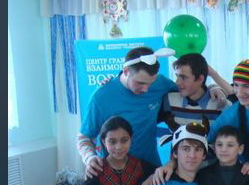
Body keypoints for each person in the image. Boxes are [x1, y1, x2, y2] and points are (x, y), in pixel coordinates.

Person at [77, 47, 179, 177]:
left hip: (150, 170)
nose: (145, 89)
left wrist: (209, 87)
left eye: (150, 84)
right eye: (140, 83)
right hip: (114, 174)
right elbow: (83, 138)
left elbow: (188, 90)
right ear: (126, 71)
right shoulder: (101, 97)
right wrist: (90, 157)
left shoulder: (160, 83)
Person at [161, 53, 232, 129]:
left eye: (183, 77)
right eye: (177, 76)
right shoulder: (169, 99)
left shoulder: (221, 103)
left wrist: (214, 79)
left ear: (200, 79)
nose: (177, 82)